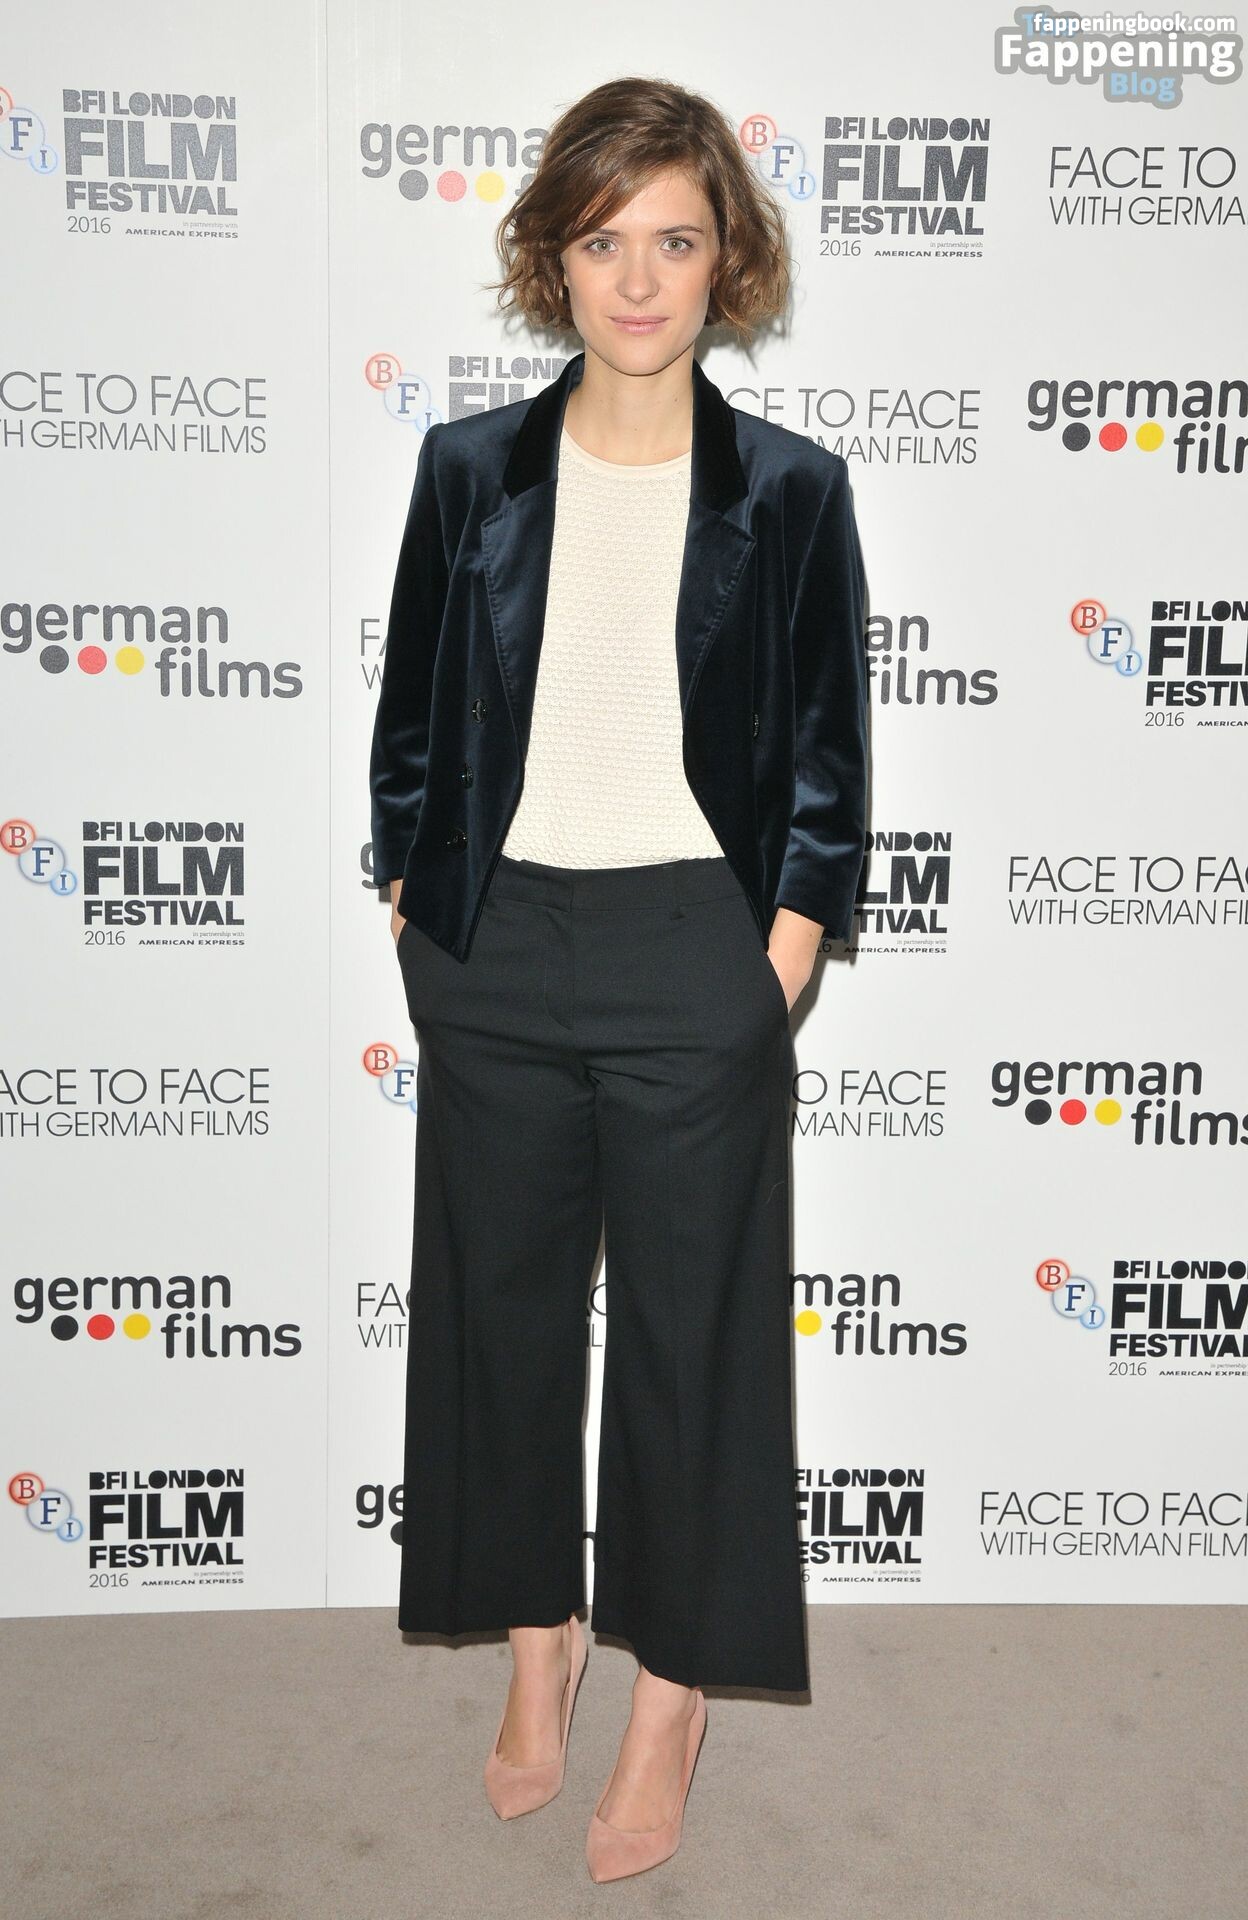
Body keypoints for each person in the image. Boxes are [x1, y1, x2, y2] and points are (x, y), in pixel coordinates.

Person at [368, 74, 868, 1883]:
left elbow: (828, 762)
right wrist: (415, 910)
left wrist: (779, 955)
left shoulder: (792, 492)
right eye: (603, 242)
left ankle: (671, 1698)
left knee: (692, 1344)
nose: (639, 280)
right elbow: (411, 724)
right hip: (497, 947)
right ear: (552, 260)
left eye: (675, 239)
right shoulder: (470, 470)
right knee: (499, 1321)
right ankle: (539, 1645)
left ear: (728, 259)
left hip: (693, 951)